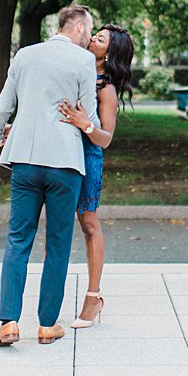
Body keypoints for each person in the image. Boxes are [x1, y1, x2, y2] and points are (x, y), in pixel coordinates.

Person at [0, 5, 100, 347]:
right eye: (89, 31)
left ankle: (8, 322)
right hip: (65, 162)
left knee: (18, 238)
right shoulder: (83, 61)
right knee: (58, 243)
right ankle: (47, 325)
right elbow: (88, 113)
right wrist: (87, 124)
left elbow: (4, 104)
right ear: (79, 27)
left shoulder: (25, 55)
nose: (89, 39)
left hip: (24, 160)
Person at [58, 23, 134, 329]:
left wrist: (83, 123)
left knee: (89, 223)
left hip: (88, 156)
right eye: (94, 35)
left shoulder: (107, 90)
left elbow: (106, 138)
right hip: (61, 152)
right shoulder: (76, 69)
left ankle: (93, 297)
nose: (92, 39)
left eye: (100, 39)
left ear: (109, 52)